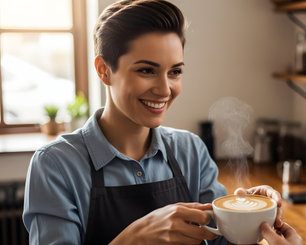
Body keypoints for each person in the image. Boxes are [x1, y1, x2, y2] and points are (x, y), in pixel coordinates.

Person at [22, 0, 286, 244]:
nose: (164, 89)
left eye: (175, 72)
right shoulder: (56, 165)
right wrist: (133, 239)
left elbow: (221, 239)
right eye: (146, 70)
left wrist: (251, 219)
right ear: (104, 70)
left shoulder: (191, 150)